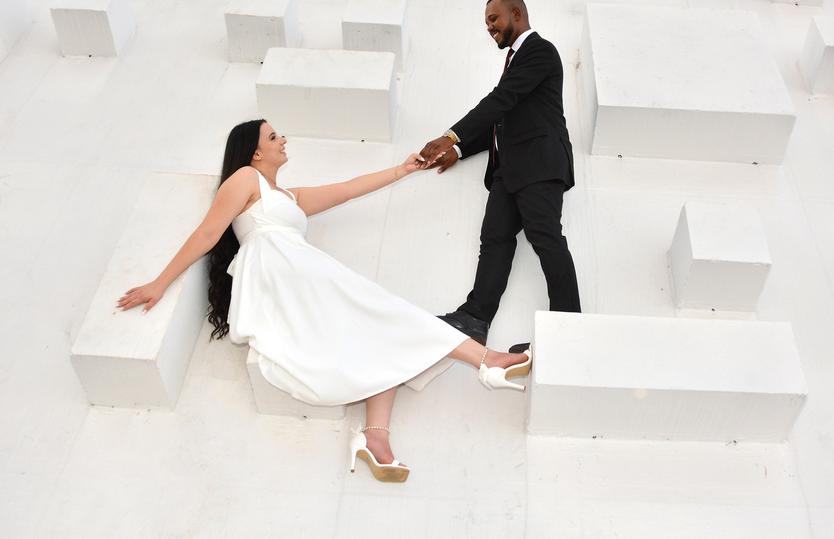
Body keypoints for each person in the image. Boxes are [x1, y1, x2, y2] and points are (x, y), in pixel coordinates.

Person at [118, 119, 531, 483]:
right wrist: (160, 282)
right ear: (255, 151)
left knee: (380, 332)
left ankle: (375, 437)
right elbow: (208, 233)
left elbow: (347, 191)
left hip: (300, 269)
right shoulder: (245, 179)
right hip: (282, 271)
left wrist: (402, 170)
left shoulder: (288, 196)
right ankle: (486, 360)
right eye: (273, 135)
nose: (283, 139)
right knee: (385, 312)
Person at [419, 0, 581, 348]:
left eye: (494, 19)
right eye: (487, 22)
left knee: (546, 238)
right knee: (493, 241)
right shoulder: (516, 62)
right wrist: (459, 150)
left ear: (516, 13)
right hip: (508, 171)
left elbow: (501, 100)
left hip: (539, 163)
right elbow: (503, 118)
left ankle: (568, 331)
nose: (490, 27)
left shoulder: (540, 50)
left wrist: (450, 135)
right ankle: (475, 318)